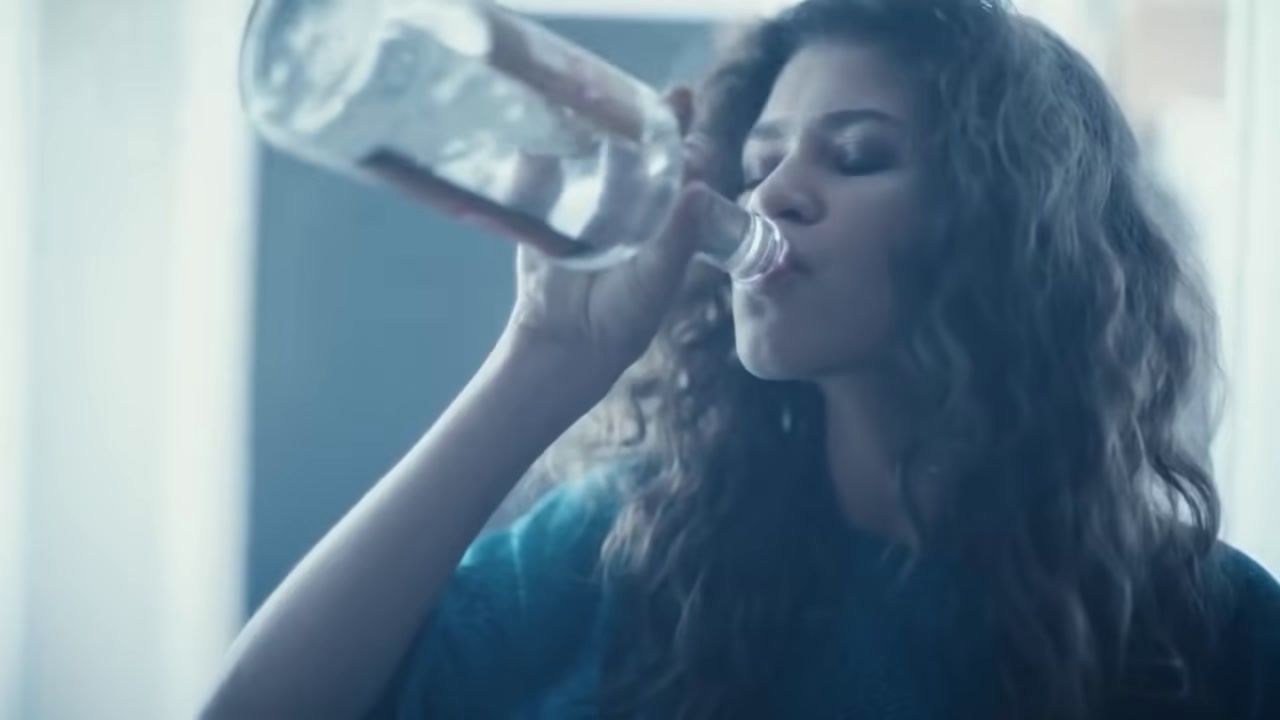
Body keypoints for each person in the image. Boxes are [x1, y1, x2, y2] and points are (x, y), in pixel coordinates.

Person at [200, 0, 1280, 718]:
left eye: (853, 155)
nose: (772, 194)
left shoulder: (1207, 630)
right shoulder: (626, 554)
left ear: (1011, 231)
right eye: (759, 161)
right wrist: (537, 363)